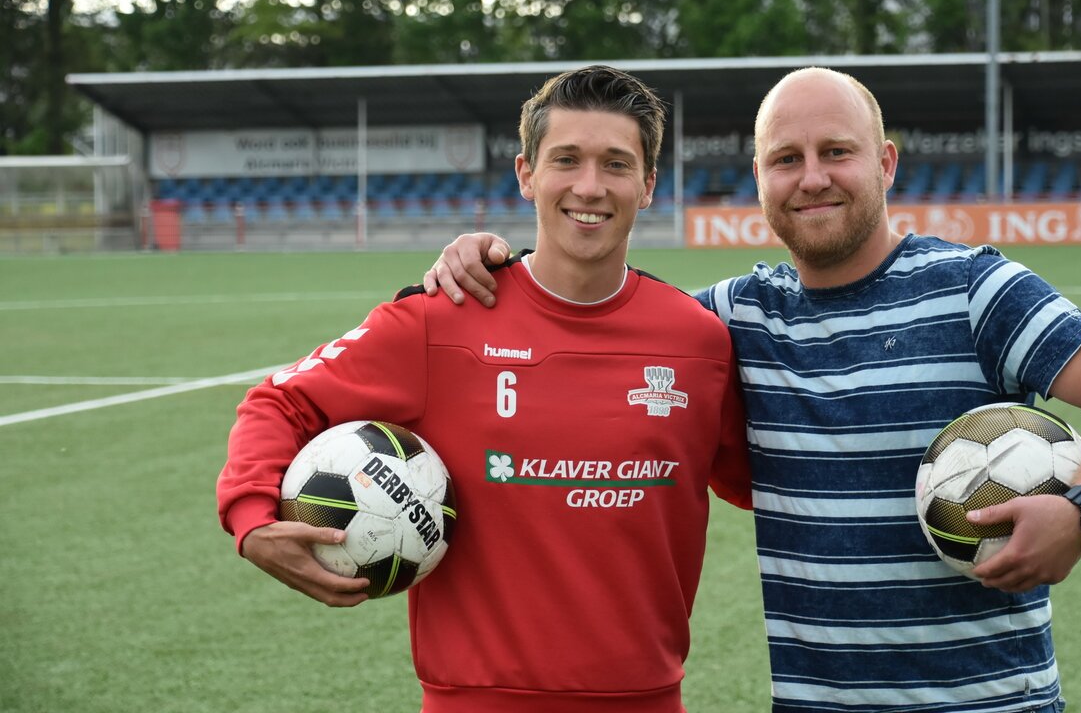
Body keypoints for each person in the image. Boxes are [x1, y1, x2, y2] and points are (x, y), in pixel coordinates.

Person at [422, 66, 1081, 712]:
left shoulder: (974, 290)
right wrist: (493, 263)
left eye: (837, 152)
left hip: (995, 700)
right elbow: (595, 329)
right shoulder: (728, 321)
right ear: (758, 178)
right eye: (785, 158)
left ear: (885, 163)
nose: (812, 177)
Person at [216, 65, 752, 713]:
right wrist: (250, 519)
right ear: (526, 174)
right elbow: (281, 401)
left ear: (648, 185)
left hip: (646, 699)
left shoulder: (698, 342)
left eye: (615, 164)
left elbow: (764, 479)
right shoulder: (441, 318)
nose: (590, 186)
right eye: (567, 160)